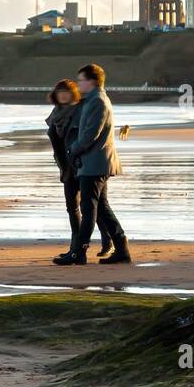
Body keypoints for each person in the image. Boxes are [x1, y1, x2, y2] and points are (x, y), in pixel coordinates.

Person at [54, 63, 130, 266]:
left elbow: (90, 134)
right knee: (102, 208)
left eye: (81, 80)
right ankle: (121, 248)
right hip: (96, 162)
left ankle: (79, 252)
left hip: (94, 163)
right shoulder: (92, 100)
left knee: (89, 209)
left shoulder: (97, 101)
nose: (78, 84)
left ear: (92, 81)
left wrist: (73, 150)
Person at [45, 79, 111, 261]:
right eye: (60, 91)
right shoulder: (56, 114)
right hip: (66, 165)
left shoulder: (82, 110)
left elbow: (89, 136)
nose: (63, 95)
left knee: (94, 207)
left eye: (67, 91)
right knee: (72, 207)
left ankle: (105, 241)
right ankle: (75, 247)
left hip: (85, 164)